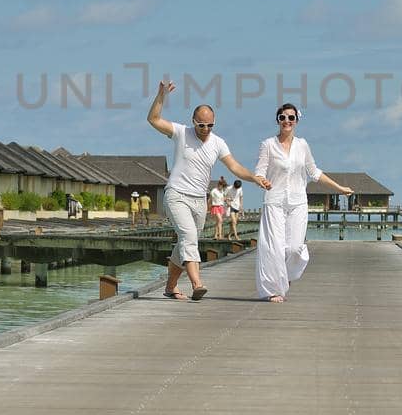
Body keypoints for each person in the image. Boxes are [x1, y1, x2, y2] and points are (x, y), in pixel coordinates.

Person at [147, 79, 268, 300]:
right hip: (176, 195)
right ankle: (197, 284)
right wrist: (161, 96)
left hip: (199, 201)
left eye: (210, 125)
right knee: (189, 236)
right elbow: (153, 119)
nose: (205, 129)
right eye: (201, 125)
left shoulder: (218, 143)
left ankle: (170, 286)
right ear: (193, 121)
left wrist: (254, 178)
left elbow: (234, 166)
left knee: (186, 243)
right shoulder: (182, 133)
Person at [254, 103, 355, 303]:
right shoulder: (268, 144)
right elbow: (259, 170)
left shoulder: (302, 145)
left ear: (296, 121)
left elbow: (314, 172)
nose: (287, 121)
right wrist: (261, 180)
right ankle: (274, 289)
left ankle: (287, 277)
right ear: (277, 120)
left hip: (298, 202)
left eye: (291, 118)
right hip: (274, 202)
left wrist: (339, 188)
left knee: (294, 248)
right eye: (283, 117)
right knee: (273, 248)